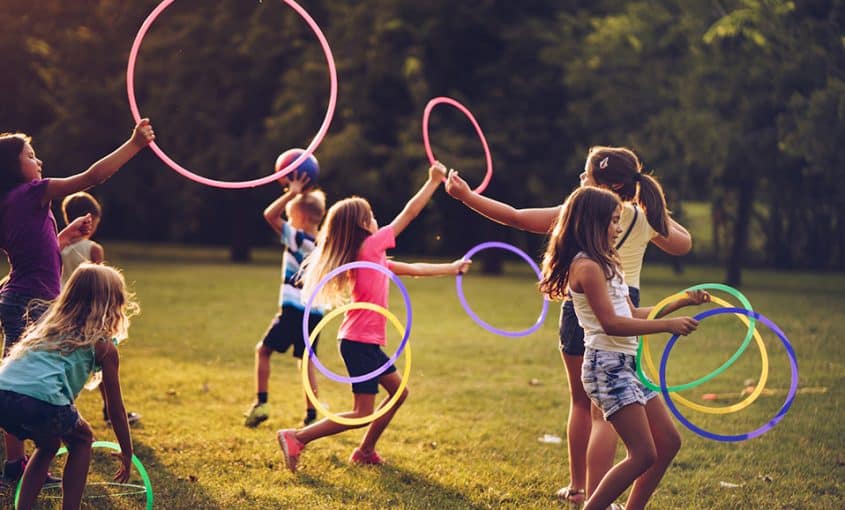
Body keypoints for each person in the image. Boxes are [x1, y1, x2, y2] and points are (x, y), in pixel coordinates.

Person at [445, 146, 692, 504]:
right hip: (608, 340)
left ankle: (581, 489)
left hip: (612, 332)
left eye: (586, 175)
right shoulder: (633, 222)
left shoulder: (584, 219)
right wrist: (650, 205)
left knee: (590, 409)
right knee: (613, 421)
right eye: (612, 223)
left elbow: (515, 217)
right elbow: (682, 244)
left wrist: (468, 197)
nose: (617, 226)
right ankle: (593, 498)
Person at [275, 161, 471, 473]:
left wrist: (453, 267)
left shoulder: (372, 257)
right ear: (364, 225)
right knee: (360, 411)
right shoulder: (369, 248)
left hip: (362, 341)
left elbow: (414, 269)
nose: (378, 221)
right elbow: (409, 214)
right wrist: (433, 181)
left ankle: (365, 450)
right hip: (358, 342)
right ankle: (297, 437)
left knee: (398, 393)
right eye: (372, 216)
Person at [0, 119, 154, 487]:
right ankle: (33, 454)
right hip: (32, 301)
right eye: (31, 156)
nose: (39, 162)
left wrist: (65, 237)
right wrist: (134, 144)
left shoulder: (7, 203)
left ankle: (15, 463)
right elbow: (93, 176)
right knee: (40, 379)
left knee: (19, 374)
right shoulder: (34, 192)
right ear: (12, 166)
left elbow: (35, 254)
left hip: (16, 296)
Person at [538, 186, 708, 510]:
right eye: (614, 221)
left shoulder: (609, 263)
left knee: (668, 442)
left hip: (627, 366)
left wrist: (682, 299)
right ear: (593, 222)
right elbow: (611, 324)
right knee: (643, 453)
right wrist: (667, 326)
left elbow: (632, 314)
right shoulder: (585, 266)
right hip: (606, 367)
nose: (619, 228)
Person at [0, 264, 139, 510]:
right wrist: (127, 451)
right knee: (82, 440)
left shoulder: (45, 328)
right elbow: (115, 407)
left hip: (3, 394)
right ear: (112, 304)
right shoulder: (104, 346)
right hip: (42, 401)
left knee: (50, 444)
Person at [244, 172, 327, 428]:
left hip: (292, 310)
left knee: (263, 350)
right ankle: (312, 414)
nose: (288, 221)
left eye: (291, 217)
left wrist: (291, 192)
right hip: (315, 313)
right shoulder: (325, 244)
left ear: (300, 218)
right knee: (306, 361)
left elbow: (269, 215)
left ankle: (262, 402)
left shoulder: (298, 238)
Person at [60, 191, 142, 427]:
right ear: (90, 219)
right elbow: (100, 282)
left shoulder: (59, 247)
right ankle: (111, 410)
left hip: (64, 310)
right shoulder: (93, 249)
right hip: (91, 312)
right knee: (104, 361)